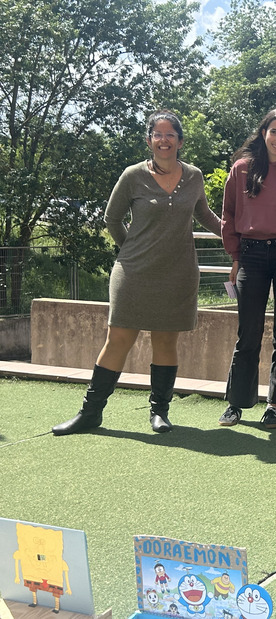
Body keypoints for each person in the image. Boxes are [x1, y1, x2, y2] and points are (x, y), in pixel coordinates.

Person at [52, 111, 221, 435]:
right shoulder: (132, 176)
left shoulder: (195, 176)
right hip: (134, 271)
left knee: (166, 340)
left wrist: (234, 233)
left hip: (177, 273)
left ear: (180, 141)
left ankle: (159, 413)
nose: (163, 139)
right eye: (157, 134)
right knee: (118, 339)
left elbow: (203, 214)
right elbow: (112, 219)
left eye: (170, 134)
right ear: (149, 141)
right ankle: (90, 414)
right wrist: (132, 248)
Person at [218, 107, 276, 430]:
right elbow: (228, 215)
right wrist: (235, 257)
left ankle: (275, 405)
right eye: (275, 132)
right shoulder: (242, 169)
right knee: (249, 331)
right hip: (252, 256)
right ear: (263, 132)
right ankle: (236, 404)